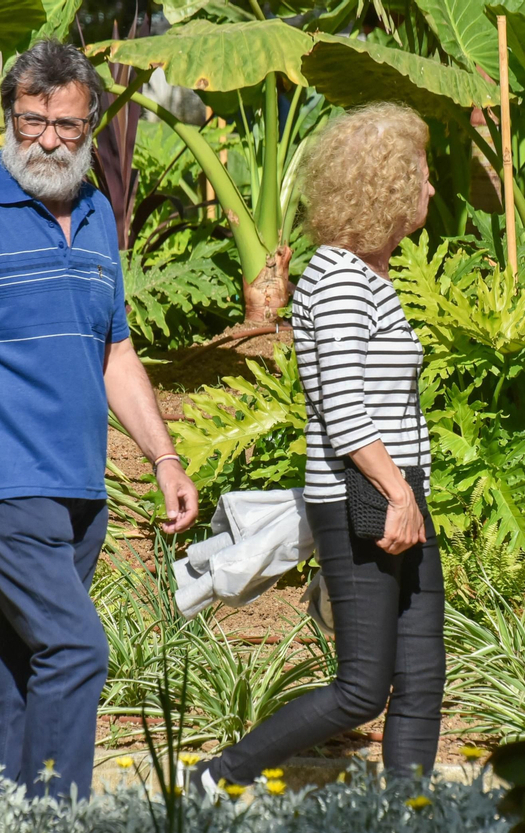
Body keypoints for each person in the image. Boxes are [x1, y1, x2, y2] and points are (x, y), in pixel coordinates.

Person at [0, 39, 199, 799]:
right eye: (30, 122)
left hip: (80, 489)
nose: (46, 141)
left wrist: (164, 458)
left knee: (21, 665)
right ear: (10, 117)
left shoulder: (98, 216)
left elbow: (117, 354)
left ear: (90, 123)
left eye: (64, 126)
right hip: (3, 482)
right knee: (75, 650)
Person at [195, 103, 443, 792]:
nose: (429, 191)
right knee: (365, 687)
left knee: (422, 676)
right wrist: (397, 494)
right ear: (387, 184)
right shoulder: (336, 279)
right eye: (421, 176)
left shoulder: (370, 277)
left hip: (397, 490)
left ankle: (410, 824)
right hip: (364, 496)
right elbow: (343, 412)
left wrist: (409, 493)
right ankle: (217, 778)